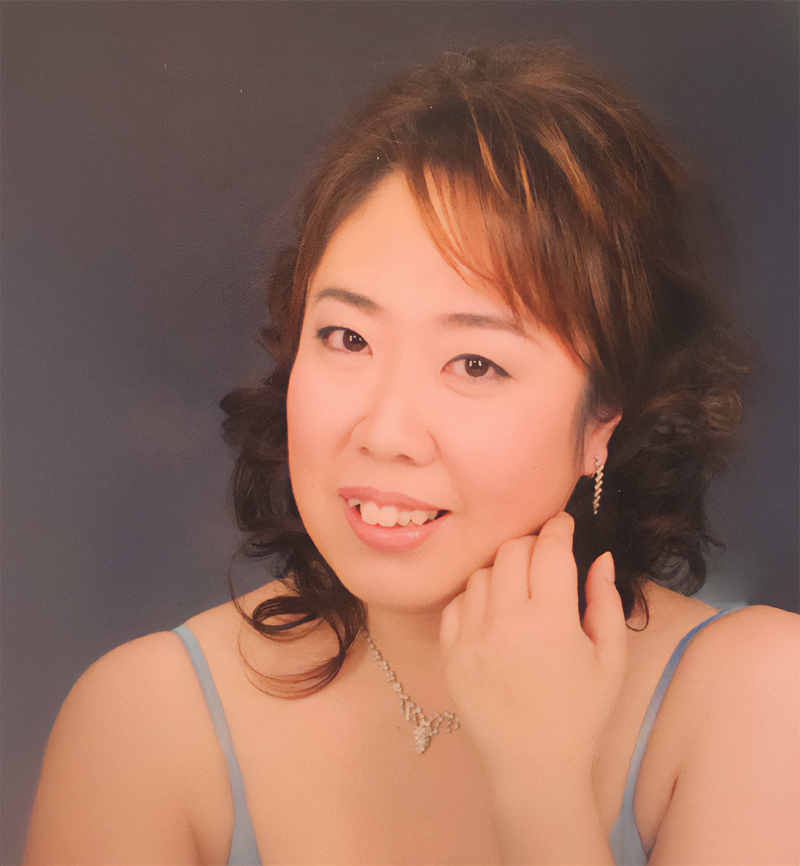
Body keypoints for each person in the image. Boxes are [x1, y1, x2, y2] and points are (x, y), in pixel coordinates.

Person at [24, 42, 798, 866]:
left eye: (476, 364)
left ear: (603, 417)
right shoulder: (146, 721)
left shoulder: (756, 696)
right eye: (347, 338)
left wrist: (542, 785)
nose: (385, 433)